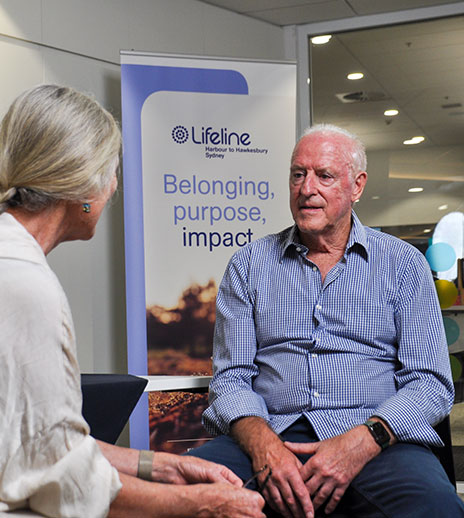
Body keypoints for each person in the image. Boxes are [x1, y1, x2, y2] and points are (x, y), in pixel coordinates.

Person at [0, 85, 265, 518]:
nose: (114, 188)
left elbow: (41, 443)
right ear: (86, 188)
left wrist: (164, 466)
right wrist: (203, 505)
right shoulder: (16, 283)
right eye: (113, 173)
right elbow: (61, 481)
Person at [187, 124, 464, 518]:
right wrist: (265, 447)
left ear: (357, 186)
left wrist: (362, 441)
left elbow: (431, 383)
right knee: (179, 495)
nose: (306, 188)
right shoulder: (249, 265)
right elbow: (230, 379)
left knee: (435, 508)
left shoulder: (403, 265)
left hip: (376, 440)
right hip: (270, 433)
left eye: (324, 175)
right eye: (298, 174)